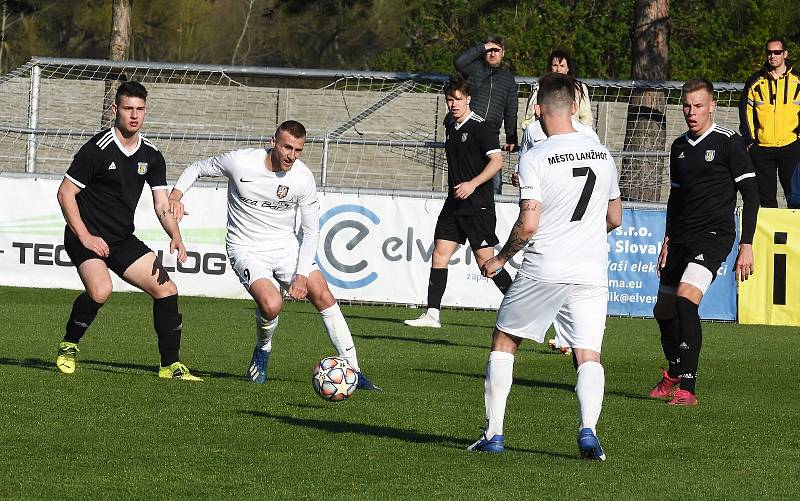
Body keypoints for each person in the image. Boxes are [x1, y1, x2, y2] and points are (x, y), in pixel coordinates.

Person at [467, 72, 622, 459]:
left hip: (545, 268)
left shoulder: (536, 156)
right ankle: (588, 432)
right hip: (590, 270)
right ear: (574, 108)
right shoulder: (602, 154)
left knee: (505, 341)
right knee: (588, 354)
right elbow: (615, 217)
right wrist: (584, 235)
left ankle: (495, 434)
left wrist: (500, 259)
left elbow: (529, 223)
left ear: (537, 111)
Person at [167, 120, 379, 390]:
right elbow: (197, 167)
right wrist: (175, 195)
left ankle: (352, 369)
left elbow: (311, 231)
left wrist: (301, 276)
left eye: (298, 150)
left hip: (285, 247)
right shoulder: (241, 162)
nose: (292, 155)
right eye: (287, 147)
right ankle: (263, 349)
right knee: (271, 304)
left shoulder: (302, 178)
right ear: (273, 142)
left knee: (323, 293)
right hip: (245, 248)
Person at [55, 81, 201, 381]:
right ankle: (69, 344)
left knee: (167, 290)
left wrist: (175, 234)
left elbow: (162, 205)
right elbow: (65, 194)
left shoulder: (152, 155)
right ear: (115, 109)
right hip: (86, 234)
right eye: (128, 108)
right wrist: (84, 236)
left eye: (140, 109)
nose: (134, 115)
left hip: (121, 239)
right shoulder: (96, 150)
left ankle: (169, 366)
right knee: (100, 290)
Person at [649, 78, 759, 406]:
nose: (691, 112)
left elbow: (751, 196)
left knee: (685, 299)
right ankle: (673, 373)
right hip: (681, 236)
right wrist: (667, 239)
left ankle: (688, 388)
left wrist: (746, 244)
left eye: (698, 106)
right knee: (663, 310)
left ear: (712, 106)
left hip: (714, 235)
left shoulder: (729, 143)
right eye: (686, 106)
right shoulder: (679, 146)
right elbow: (676, 197)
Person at [404, 76, 513, 329]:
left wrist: (473, 184)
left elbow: (497, 162)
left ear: (469, 100)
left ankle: (522, 309)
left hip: (478, 207)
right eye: (450, 99)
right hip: (454, 205)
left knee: (488, 265)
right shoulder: (450, 126)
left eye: (459, 99)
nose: (454, 104)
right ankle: (432, 314)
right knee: (439, 254)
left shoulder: (482, 128)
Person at [739, 37, 800, 207]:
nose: (772, 56)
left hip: (791, 147)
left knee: (795, 197)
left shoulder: (798, 81)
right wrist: (750, 142)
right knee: (766, 199)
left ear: (785, 54)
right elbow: (745, 114)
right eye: (769, 52)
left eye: (777, 52)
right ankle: (770, 234)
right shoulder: (755, 82)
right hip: (762, 149)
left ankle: (795, 233)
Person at [454, 35, 518, 194]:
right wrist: (482, 47)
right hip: (469, 133)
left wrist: (511, 137)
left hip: (491, 135)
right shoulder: (474, 69)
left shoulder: (508, 79)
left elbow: (511, 109)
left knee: (494, 185)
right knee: (464, 179)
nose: (493, 54)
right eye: (490, 50)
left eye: (497, 50)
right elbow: (458, 62)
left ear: (503, 53)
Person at [521, 49, 593, 131]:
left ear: (568, 68)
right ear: (550, 67)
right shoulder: (540, 87)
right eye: (555, 65)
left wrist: (578, 135)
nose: (558, 69)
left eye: (562, 66)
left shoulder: (579, 88)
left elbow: (586, 118)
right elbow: (530, 117)